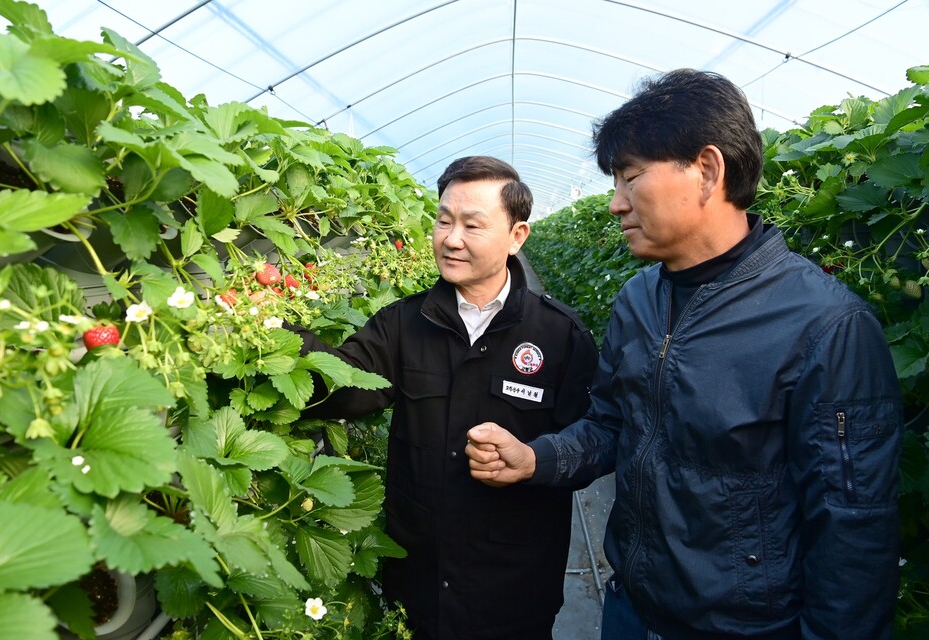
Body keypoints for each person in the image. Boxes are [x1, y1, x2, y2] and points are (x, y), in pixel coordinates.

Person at [466, 69, 903, 640]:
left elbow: (853, 530)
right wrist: (535, 458)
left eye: (629, 178)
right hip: (631, 612)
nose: (615, 204)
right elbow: (611, 426)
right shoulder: (639, 302)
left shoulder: (825, 328)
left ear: (707, 170)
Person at [295, 155, 598, 639]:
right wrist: (273, 336)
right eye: (443, 220)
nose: (451, 238)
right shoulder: (403, 324)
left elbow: (595, 441)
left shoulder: (560, 336)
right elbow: (342, 388)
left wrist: (534, 460)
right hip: (421, 581)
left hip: (514, 586)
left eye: (471, 225)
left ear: (517, 236)